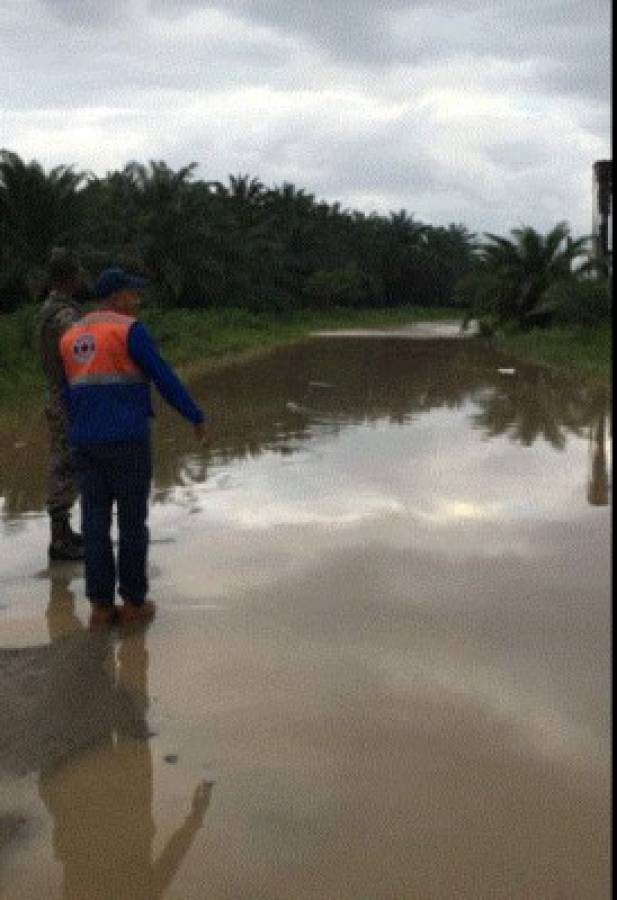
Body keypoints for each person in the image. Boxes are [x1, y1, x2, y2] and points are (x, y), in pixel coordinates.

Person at [59, 267, 206, 627]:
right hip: (126, 442)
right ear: (116, 297)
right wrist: (194, 415)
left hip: (85, 444)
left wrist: (77, 432)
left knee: (93, 523)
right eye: (131, 293)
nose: (136, 300)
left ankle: (100, 607)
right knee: (131, 523)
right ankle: (135, 602)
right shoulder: (129, 331)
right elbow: (163, 376)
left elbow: (67, 394)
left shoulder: (70, 336)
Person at [37, 249, 86, 561]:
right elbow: (78, 356)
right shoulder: (64, 315)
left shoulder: (49, 309)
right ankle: (59, 539)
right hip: (66, 395)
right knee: (65, 464)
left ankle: (64, 532)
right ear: (71, 276)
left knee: (64, 461)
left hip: (57, 392)